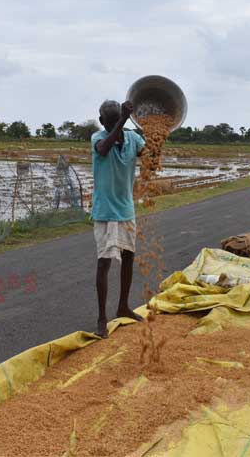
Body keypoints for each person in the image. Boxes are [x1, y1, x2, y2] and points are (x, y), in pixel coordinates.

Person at [90, 100, 146, 338]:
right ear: (103, 122)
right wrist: (123, 120)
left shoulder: (133, 138)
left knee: (129, 257)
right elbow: (103, 149)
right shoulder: (97, 138)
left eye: (118, 120)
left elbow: (148, 154)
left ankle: (123, 306)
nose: (115, 125)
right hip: (105, 211)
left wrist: (156, 135)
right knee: (104, 263)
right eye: (111, 121)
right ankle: (102, 317)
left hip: (126, 209)